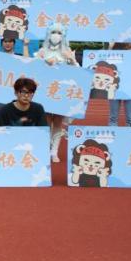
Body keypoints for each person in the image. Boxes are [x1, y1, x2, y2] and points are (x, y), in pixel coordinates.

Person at [35, 21, 77, 161]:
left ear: (63, 35)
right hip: (45, 92)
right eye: (53, 32)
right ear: (48, 34)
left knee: (58, 122)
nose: (56, 35)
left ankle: (54, 151)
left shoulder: (67, 51)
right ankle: (46, 148)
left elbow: (79, 73)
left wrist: (71, 60)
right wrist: (43, 62)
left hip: (62, 93)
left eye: (59, 33)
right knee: (46, 122)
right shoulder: (42, 51)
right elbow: (33, 70)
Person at [107, 42, 131, 126]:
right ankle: (113, 133)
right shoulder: (114, 56)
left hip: (130, 88)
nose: (130, 48)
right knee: (113, 117)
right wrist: (110, 48)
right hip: (114, 87)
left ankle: (129, 134)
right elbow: (106, 62)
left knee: (130, 118)